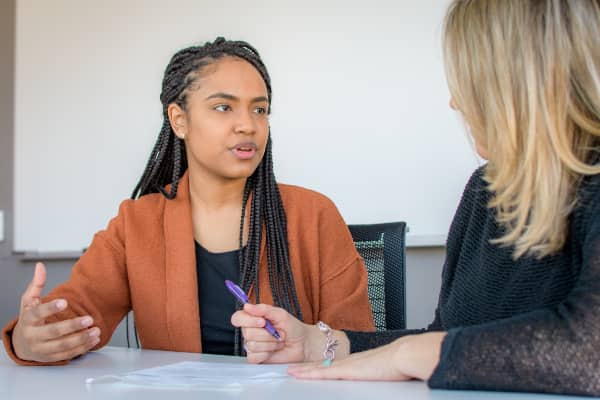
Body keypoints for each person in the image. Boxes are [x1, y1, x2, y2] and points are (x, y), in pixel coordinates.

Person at [232, 0, 600, 396]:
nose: (455, 103)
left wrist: (411, 354)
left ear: (523, 83)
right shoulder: (486, 190)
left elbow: (589, 351)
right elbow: (447, 338)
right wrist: (319, 343)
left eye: (469, 81)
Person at [2, 37, 374, 365]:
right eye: (224, 107)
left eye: (259, 109)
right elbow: (76, 316)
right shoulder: (138, 223)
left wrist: (315, 343)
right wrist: (31, 337)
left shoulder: (314, 214)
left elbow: (360, 342)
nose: (248, 124)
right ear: (179, 120)